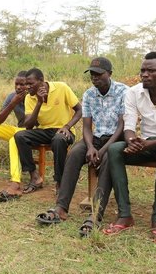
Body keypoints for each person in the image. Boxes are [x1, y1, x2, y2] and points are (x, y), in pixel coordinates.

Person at [35, 57, 128, 237]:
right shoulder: (89, 94)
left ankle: (96, 214)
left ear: (110, 74)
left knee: (109, 157)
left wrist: (102, 150)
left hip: (117, 138)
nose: (95, 78)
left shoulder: (124, 91)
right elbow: (86, 126)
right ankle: (61, 207)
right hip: (96, 138)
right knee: (75, 153)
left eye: (99, 74)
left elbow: (121, 126)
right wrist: (91, 146)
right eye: (92, 74)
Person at [105, 52, 156, 245]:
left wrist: (151, 143)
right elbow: (129, 124)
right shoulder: (133, 92)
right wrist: (131, 140)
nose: (145, 74)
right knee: (114, 149)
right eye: (143, 70)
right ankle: (125, 215)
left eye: (151, 70)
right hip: (144, 142)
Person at [6, 68, 82, 198]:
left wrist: (67, 126)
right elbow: (29, 126)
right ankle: (34, 176)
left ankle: (60, 182)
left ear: (41, 81)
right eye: (27, 84)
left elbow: (80, 110)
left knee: (58, 140)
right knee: (20, 136)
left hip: (63, 130)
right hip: (44, 131)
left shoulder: (61, 88)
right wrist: (39, 102)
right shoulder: (30, 97)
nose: (28, 87)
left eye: (31, 84)